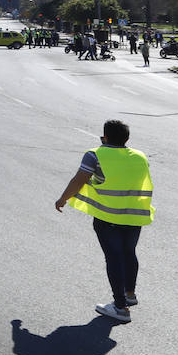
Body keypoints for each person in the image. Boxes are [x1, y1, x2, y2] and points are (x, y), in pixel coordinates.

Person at [54, 119, 154, 323]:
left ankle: (120, 308)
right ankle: (129, 294)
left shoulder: (95, 154)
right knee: (129, 253)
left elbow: (79, 180)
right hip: (135, 215)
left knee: (114, 258)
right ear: (127, 139)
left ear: (105, 137)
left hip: (108, 217)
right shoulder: (140, 156)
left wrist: (63, 198)